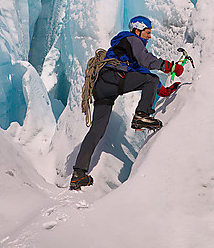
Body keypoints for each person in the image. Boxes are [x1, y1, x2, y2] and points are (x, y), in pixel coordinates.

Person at [70, 15, 184, 190]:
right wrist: (170, 66)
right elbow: (147, 61)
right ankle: (141, 116)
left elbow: (143, 72)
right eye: (147, 32)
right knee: (150, 79)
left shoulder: (127, 52)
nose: (149, 36)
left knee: (97, 130)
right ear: (137, 30)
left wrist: (165, 91)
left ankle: (78, 174)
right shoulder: (131, 39)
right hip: (114, 77)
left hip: (102, 86)